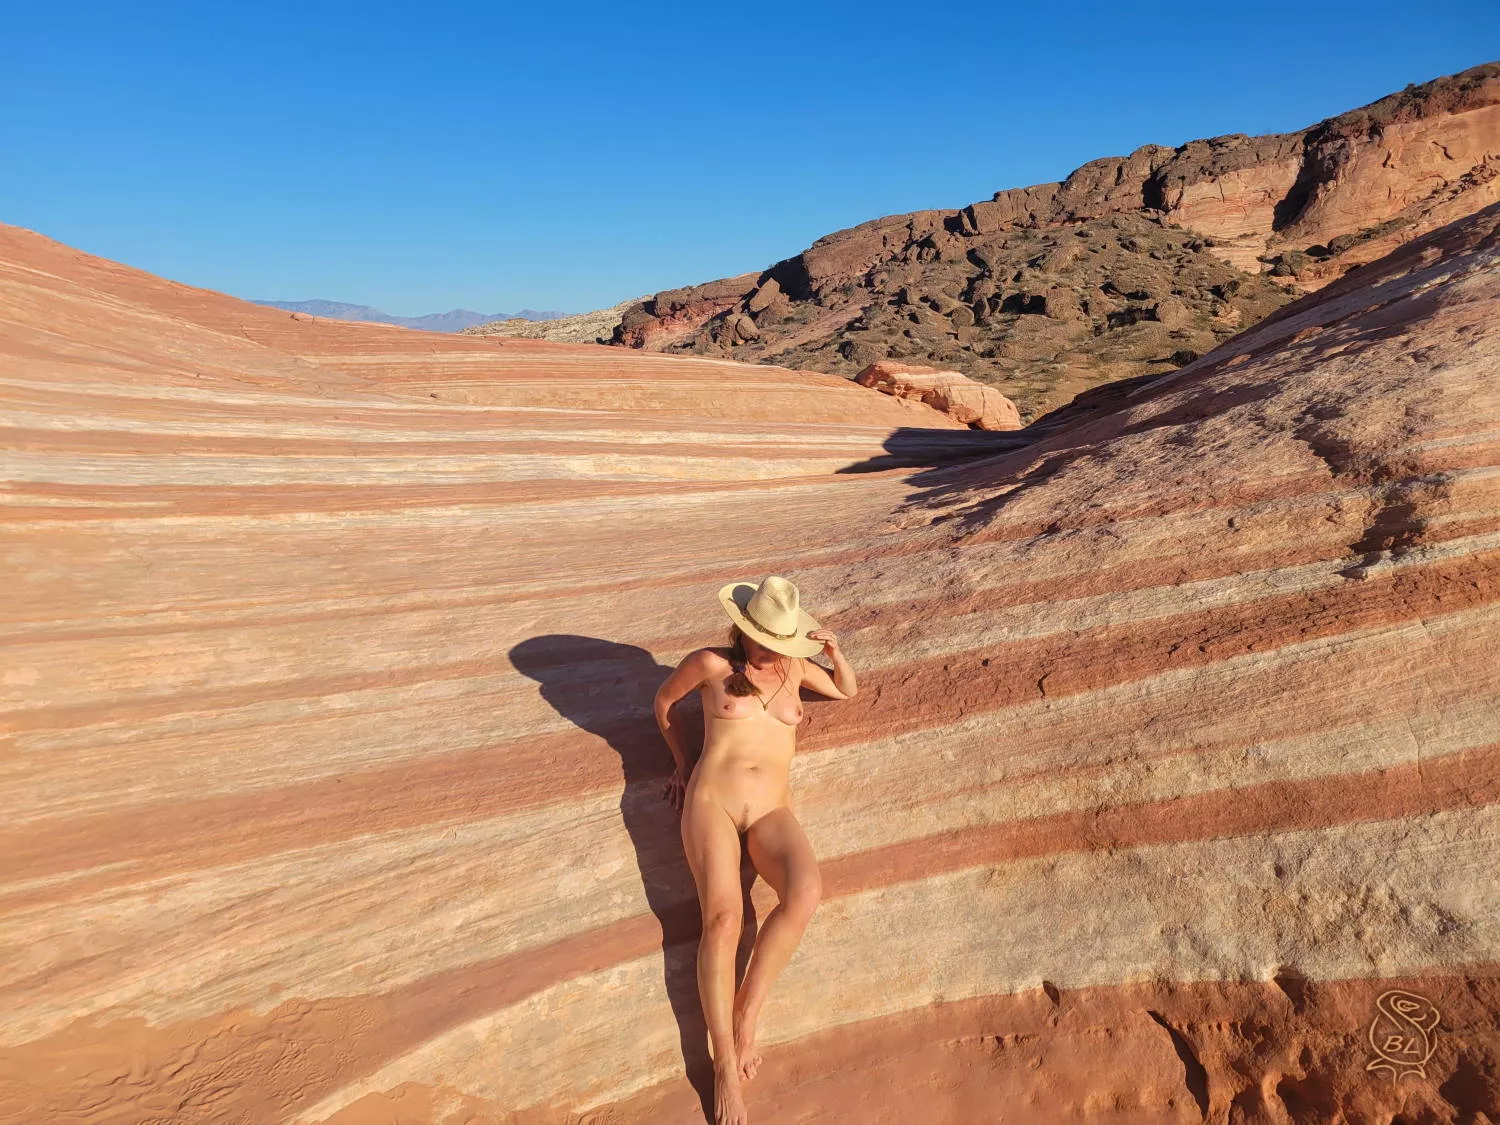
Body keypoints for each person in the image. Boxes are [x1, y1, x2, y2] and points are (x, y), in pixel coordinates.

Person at [654, 575, 857, 1125]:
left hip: (771, 809)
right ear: (742, 631)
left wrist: (836, 652)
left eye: (776, 641)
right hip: (713, 804)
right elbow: (664, 701)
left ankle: (747, 1016)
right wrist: (681, 762)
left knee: (805, 892)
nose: (766, 650)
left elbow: (846, 690)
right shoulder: (712, 665)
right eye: (758, 637)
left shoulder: (796, 669)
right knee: (723, 919)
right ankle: (722, 1066)